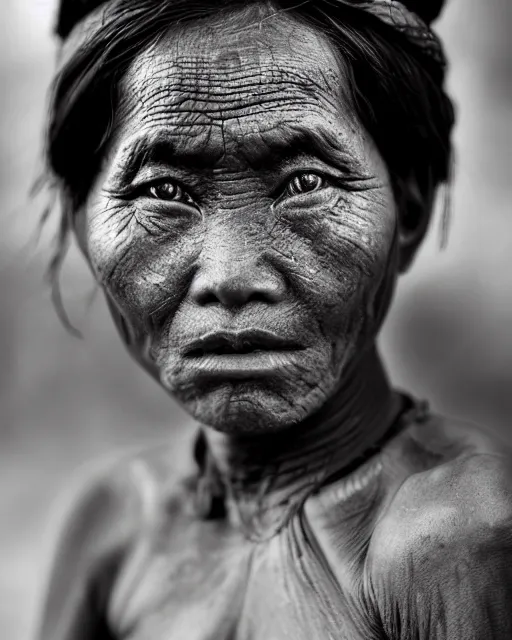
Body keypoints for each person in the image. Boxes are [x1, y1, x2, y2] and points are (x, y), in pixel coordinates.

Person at [37, 0, 512, 638]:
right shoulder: (113, 527)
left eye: (305, 183)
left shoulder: (461, 536)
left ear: (410, 207)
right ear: (81, 223)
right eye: (162, 192)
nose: (231, 277)